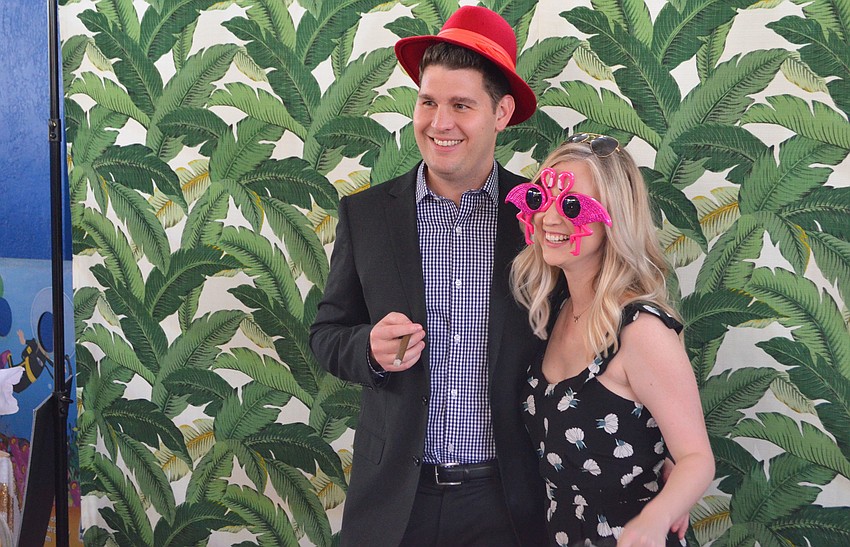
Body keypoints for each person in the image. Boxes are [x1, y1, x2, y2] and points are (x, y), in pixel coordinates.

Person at [309, 6, 548, 547]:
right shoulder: (365, 215)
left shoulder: (540, 217)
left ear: (502, 112)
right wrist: (368, 348)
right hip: (394, 501)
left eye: (461, 105)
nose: (439, 123)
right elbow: (325, 336)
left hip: (510, 504)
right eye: (428, 102)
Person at [507, 135, 714, 547]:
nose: (549, 218)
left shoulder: (640, 331)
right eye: (541, 198)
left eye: (571, 206)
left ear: (613, 216)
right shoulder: (555, 309)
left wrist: (657, 517)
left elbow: (696, 459)